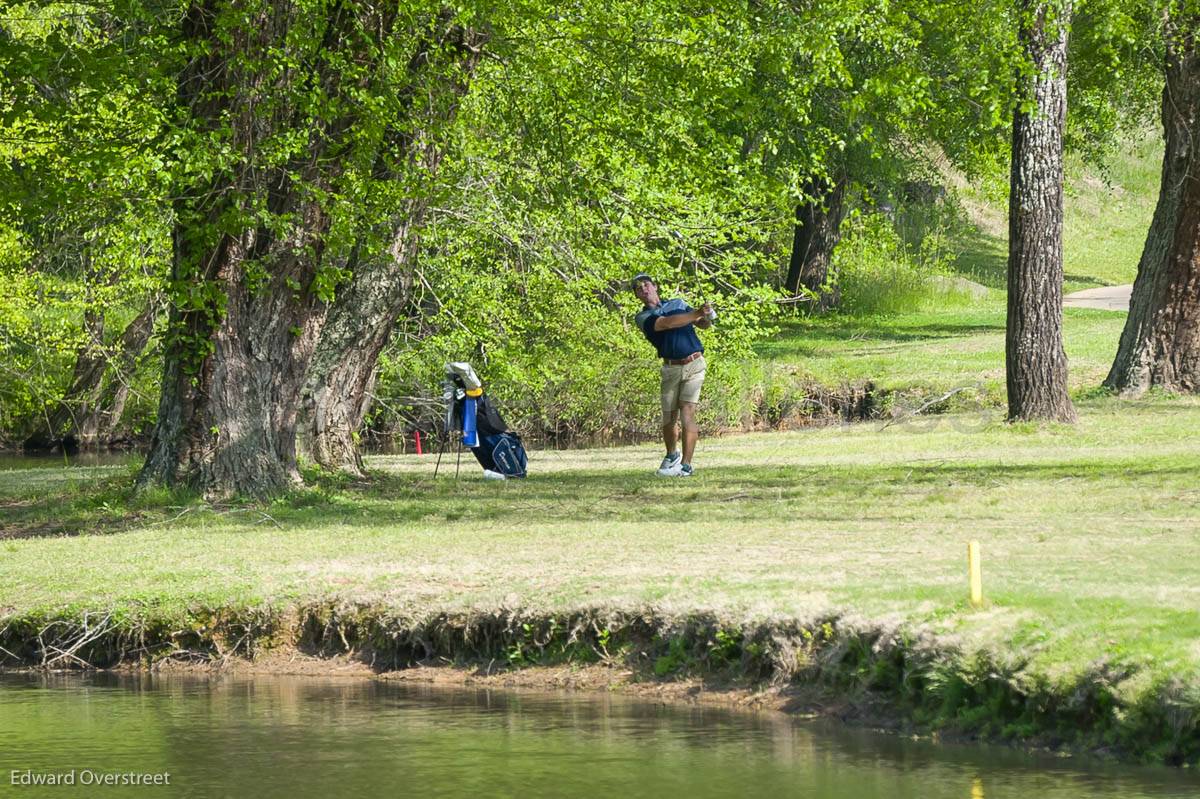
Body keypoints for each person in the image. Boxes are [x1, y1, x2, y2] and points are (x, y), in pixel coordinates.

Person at [631, 273, 713, 477]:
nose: (644, 289)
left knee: (687, 412)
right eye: (639, 288)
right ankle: (672, 455)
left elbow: (701, 324)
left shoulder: (677, 302)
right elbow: (666, 324)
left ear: (655, 286)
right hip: (670, 368)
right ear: (637, 295)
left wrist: (707, 315)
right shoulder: (642, 317)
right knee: (669, 417)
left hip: (694, 363)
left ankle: (686, 465)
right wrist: (696, 312)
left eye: (646, 285)